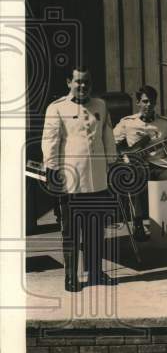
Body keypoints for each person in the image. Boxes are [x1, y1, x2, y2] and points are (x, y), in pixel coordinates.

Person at [41, 66, 118, 291]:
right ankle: (71, 276)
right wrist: (53, 172)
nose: (82, 86)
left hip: (97, 180)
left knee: (95, 231)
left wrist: (112, 164)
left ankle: (95, 272)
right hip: (71, 181)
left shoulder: (100, 106)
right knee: (71, 233)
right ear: (68, 82)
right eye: (78, 82)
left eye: (87, 82)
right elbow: (50, 142)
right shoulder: (57, 109)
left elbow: (108, 137)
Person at [113, 85, 167, 241]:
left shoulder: (165, 123)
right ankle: (138, 223)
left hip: (160, 163)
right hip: (136, 165)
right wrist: (124, 157)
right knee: (137, 178)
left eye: (152, 101)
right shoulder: (127, 123)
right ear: (138, 102)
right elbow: (111, 143)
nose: (149, 105)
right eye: (145, 101)